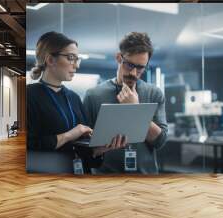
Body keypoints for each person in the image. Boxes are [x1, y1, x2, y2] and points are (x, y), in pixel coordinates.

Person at [27, 31, 125, 174]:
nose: (76, 65)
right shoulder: (30, 95)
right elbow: (30, 146)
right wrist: (70, 134)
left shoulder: (74, 98)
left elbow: (85, 154)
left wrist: (101, 148)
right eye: (70, 58)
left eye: (77, 59)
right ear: (50, 60)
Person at [83, 32, 168, 174]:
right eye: (129, 65)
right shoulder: (93, 95)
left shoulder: (154, 93)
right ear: (118, 58)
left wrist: (136, 109)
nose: (134, 73)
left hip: (145, 179)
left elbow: (160, 141)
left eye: (140, 67)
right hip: (105, 180)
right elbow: (84, 147)